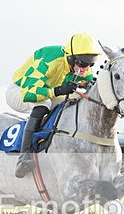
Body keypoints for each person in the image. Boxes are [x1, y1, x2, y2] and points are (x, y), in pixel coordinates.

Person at [6, 32, 101, 178]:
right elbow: (28, 93)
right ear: (71, 58)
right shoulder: (49, 59)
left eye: (90, 64)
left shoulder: (81, 64)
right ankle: (24, 157)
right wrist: (57, 90)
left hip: (45, 92)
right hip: (19, 91)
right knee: (44, 102)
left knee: (76, 100)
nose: (86, 68)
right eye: (82, 63)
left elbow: (90, 84)